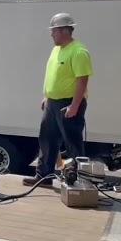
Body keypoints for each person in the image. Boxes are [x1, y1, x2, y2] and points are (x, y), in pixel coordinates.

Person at [22, 12, 93, 187]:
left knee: (72, 143)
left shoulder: (79, 52)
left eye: (54, 31)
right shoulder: (56, 50)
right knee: (46, 140)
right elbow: (52, 75)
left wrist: (75, 106)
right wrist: (46, 96)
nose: (51, 34)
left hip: (69, 103)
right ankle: (44, 176)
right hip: (52, 103)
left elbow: (82, 80)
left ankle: (79, 181)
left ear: (64, 31)